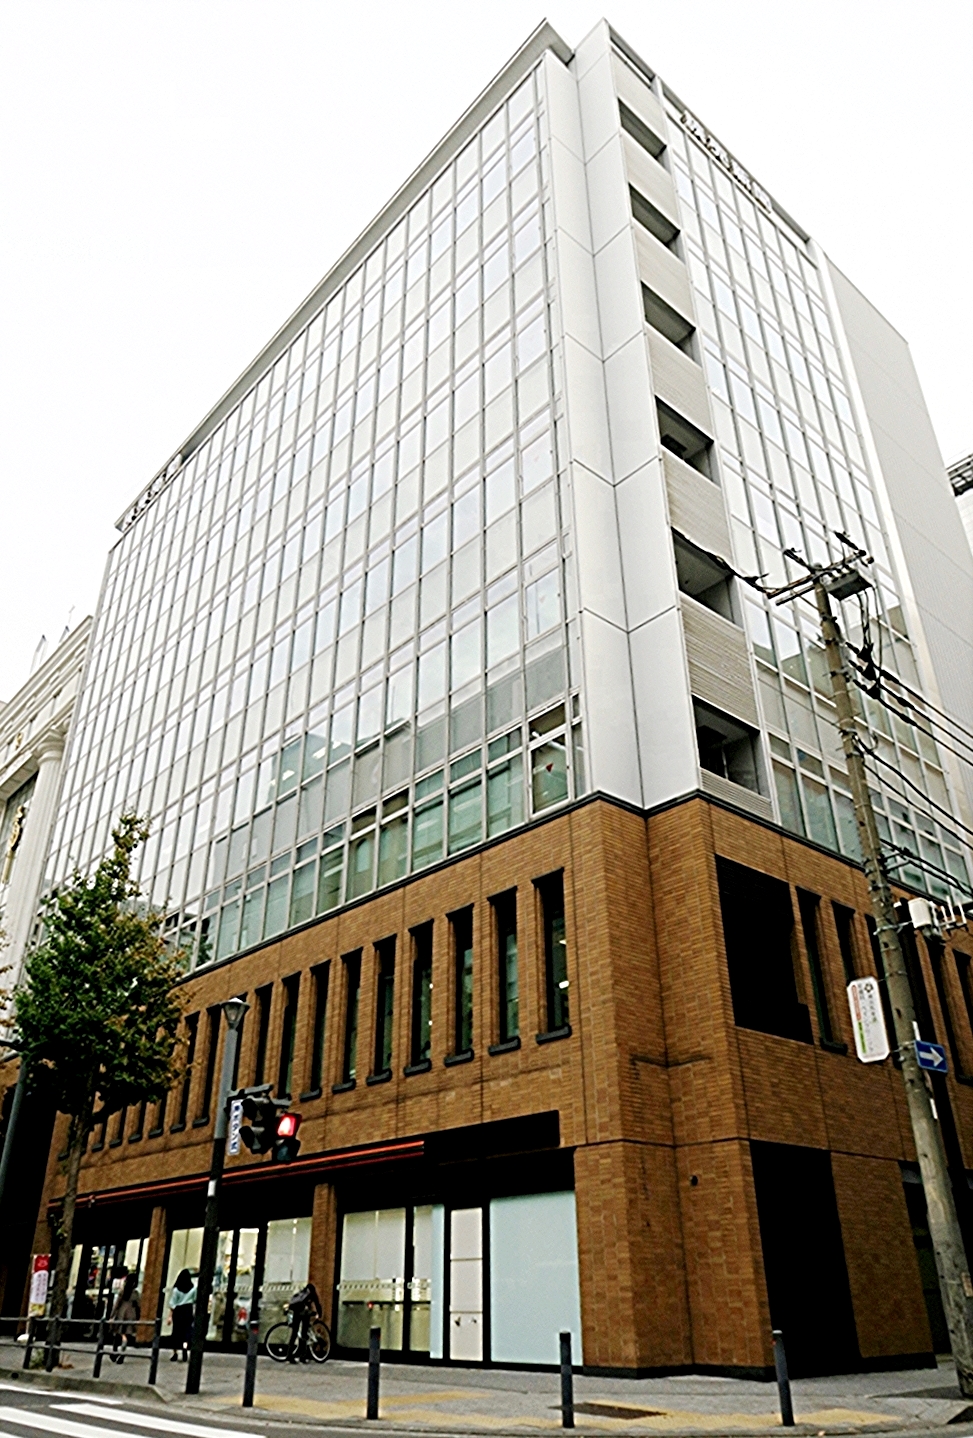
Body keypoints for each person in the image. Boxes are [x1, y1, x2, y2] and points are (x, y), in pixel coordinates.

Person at [286, 1281, 322, 1362]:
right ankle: (302, 1357)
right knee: (304, 1335)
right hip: (304, 1314)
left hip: (296, 1313)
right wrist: (319, 1314)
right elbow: (317, 1304)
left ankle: (289, 1355)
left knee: (294, 1333)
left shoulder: (301, 1293)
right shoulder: (312, 1293)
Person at [110, 1272, 140, 1363]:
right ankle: (122, 1353)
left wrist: (112, 1316)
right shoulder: (135, 1294)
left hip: (121, 1314)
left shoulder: (122, 1292)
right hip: (131, 1315)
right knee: (126, 1334)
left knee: (118, 1333)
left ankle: (115, 1351)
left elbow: (116, 1305)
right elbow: (139, 1306)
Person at [168, 1269, 196, 1362]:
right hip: (188, 1310)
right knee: (186, 1332)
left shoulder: (176, 1290)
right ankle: (185, 1348)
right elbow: (195, 1300)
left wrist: (169, 1316)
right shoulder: (193, 1289)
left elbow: (173, 1304)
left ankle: (175, 1353)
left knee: (176, 1332)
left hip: (178, 1311)